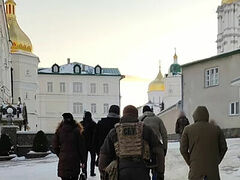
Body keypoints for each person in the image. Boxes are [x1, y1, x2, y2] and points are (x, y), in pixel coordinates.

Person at [99, 105, 160, 180]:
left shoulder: (115, 131)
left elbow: (104, 154)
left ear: (123, 115)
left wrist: (103, 173)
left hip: (121, 172)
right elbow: (158, 151)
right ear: (136, 116)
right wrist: (160, 173)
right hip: (142, 172)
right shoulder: (146, 130)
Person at [180, 106, 228, 180]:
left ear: (195, 116)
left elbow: (183, 150)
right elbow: (223, 148)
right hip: (213, 171)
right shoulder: (216, 129)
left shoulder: (188, 129)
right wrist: (216, 161)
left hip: (195, 170)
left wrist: (191, 162)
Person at [53, 113, 86, 180]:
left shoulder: (59, 131)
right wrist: (83, 160)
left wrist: (61, 154)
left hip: (63, 161)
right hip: (75, 160)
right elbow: (81, 147)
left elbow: (55, 145)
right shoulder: (77, 131)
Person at [139, 105, 167, 180]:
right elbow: (164, 134)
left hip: (143, 149)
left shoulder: (140, 119)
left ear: (143, 112)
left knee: (145, 169)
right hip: (156, 147)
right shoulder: (158, 119)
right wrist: (164, 148)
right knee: (156, 169)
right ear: (151, 111)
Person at [80, 111, 97, 177]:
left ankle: (84, 173)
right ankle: (92, 172)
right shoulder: (94, 124)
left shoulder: (81, 124)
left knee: (84, 160)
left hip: (83, 145)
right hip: (92, 145)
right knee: (93, 159)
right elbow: (95, 135)